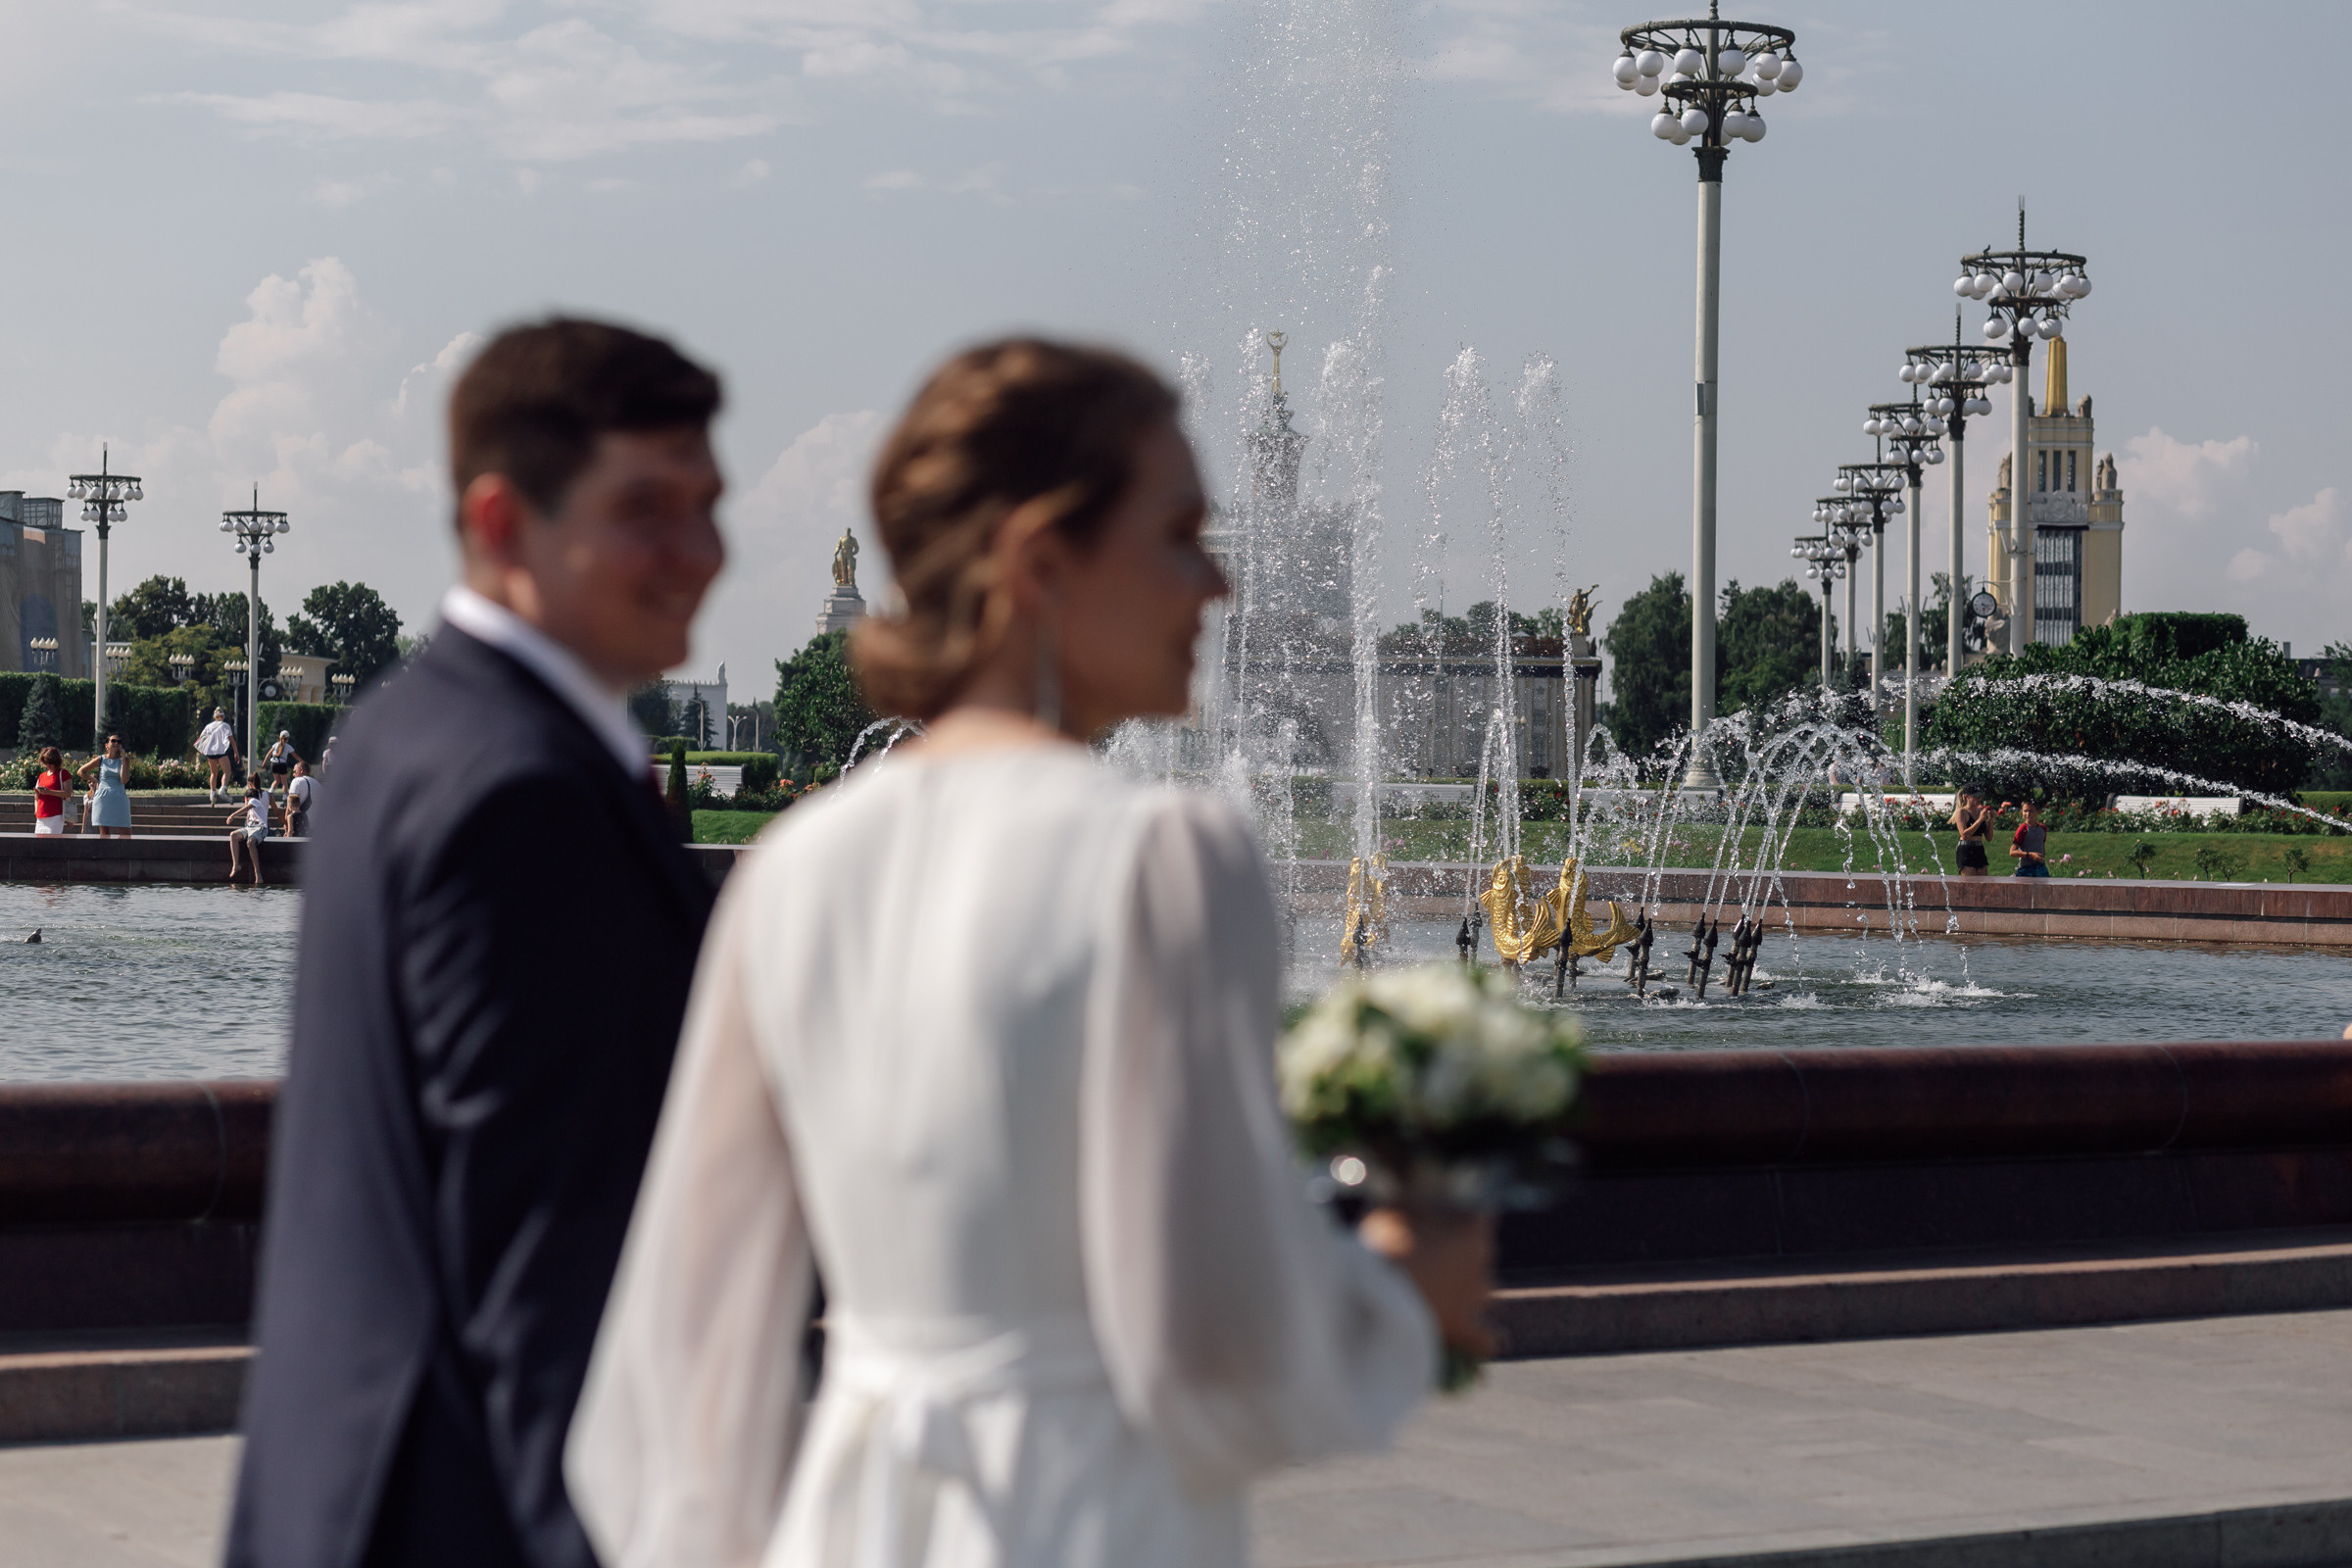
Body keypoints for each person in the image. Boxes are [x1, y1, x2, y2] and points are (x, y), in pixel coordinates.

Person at [568, 340, 1478, 1568]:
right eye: (1179, 534)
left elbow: (672, 1383)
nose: (1218, 580)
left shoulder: (792, 869)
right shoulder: (1164, 859)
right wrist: (1407, 1292)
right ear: (1041, 563)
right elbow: (1218, 1357)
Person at [225, 318, 726, 1568]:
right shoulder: (528, 796)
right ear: (504, 522)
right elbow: (546, 1277)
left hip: (346, 1493)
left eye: (708, 505)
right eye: (648, 509)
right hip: (471, 1516)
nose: (703, 552)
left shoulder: (401, 732)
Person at [76, 734, 133, 839]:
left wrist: (123, 761)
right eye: (113, 741)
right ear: (106, 745)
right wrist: (95, 780)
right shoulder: (101, 759)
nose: (116, 743)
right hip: (103, 798)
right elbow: (81, 771)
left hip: (120, 798)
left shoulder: (125, 760)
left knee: (126, 834)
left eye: (119, 741)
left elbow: (124, 780)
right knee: (105, 834)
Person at [225, 783, 270, 886]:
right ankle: (236, 865)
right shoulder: (253, 808)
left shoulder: (254, 800)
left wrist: (233, 815)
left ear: (246, 798)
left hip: (260, 828)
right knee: (233, 835)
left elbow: (246, 807)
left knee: (250, 842)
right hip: (250, 828)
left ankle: (257, 872)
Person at [196, 708, 238, 802]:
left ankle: (212, 793)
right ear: (223, 716)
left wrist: (202, 750)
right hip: (221, 751)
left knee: (213, 773)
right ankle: (223, 789)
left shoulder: (208, 726)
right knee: (227, 771)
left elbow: (201, 738)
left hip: (210, 752)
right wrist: (236, 753)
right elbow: (232, 741)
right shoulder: (226, 726)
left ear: (214, 717)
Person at [1950, 787, 1990, 877]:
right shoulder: (1962, 812)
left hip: (1979, 849)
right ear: (1966, 797)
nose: (1979, 799)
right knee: (1970, 882)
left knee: (1983, 882)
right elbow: (1964, 835)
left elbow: (1989, 838)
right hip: (1966, 849)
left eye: (1980, 796)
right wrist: (1980, 820)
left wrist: (1991, 820)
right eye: (1976, 796)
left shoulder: (1980, 812)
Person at [29, 747, 71, 835]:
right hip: (41, 815)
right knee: (39, 841)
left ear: (56, 761)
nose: (48, 765)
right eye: (46, 762)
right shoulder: (42, 776)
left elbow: (68, 793)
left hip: (56, 815)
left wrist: (50, 792)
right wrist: (36, 808)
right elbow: (36, 797)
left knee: (52, 841)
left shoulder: (63, 773)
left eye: (50, 762)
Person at [2010, 799, 2050, 877]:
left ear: (2038, 811)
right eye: (2025, 811)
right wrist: (2030, 855)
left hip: (2040, 867)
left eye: (2031, 811)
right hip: (2026, 868)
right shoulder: (2023, 829)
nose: (2028, 814)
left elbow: (2042, 847)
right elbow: (2012, 852)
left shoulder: (2043, 829)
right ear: (2021, 812)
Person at [283, 760, 314, 838]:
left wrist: (286, 824)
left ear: (301, 770)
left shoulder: (297, 781)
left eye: (295, 771)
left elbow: (291, 801)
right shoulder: (317, 783)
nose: (293, 774)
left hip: (299, 828)